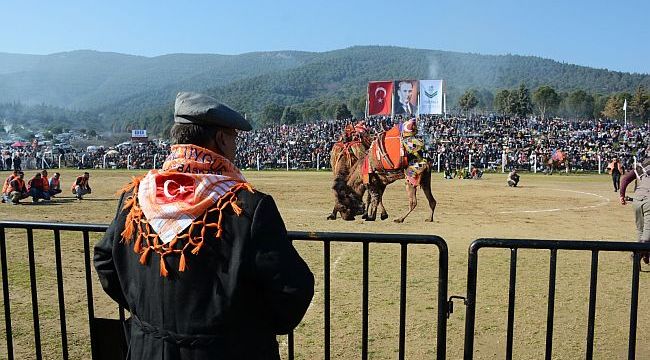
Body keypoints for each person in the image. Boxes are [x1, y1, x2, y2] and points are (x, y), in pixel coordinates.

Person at [94, 92, 314, 359]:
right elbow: (291, 290)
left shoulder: (135, 196)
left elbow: (105, 261)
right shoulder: (248, 206)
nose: (235, 146)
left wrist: (148, 316)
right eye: (233, 137)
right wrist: (252, 328)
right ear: (221, 139)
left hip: (148, 348)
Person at [620, 158, 650, 264]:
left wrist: (622, 195)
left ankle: (645, 254)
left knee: (641, 230)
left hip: (637, 199)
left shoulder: (644, 163)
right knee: (647, 233)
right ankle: (637, 254)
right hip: (648, 200)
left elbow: (625, 179)